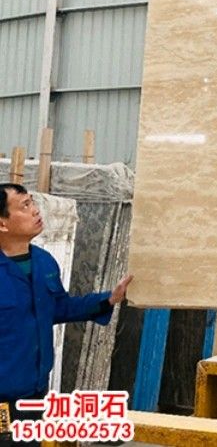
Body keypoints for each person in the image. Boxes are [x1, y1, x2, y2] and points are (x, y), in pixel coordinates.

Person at [0, 183, 133, 446]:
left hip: (35, 394)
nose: (35, 210)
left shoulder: (44, 262)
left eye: (32, 202)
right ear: (3, 224)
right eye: (25, 206)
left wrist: (109, 298)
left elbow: (59, 308)